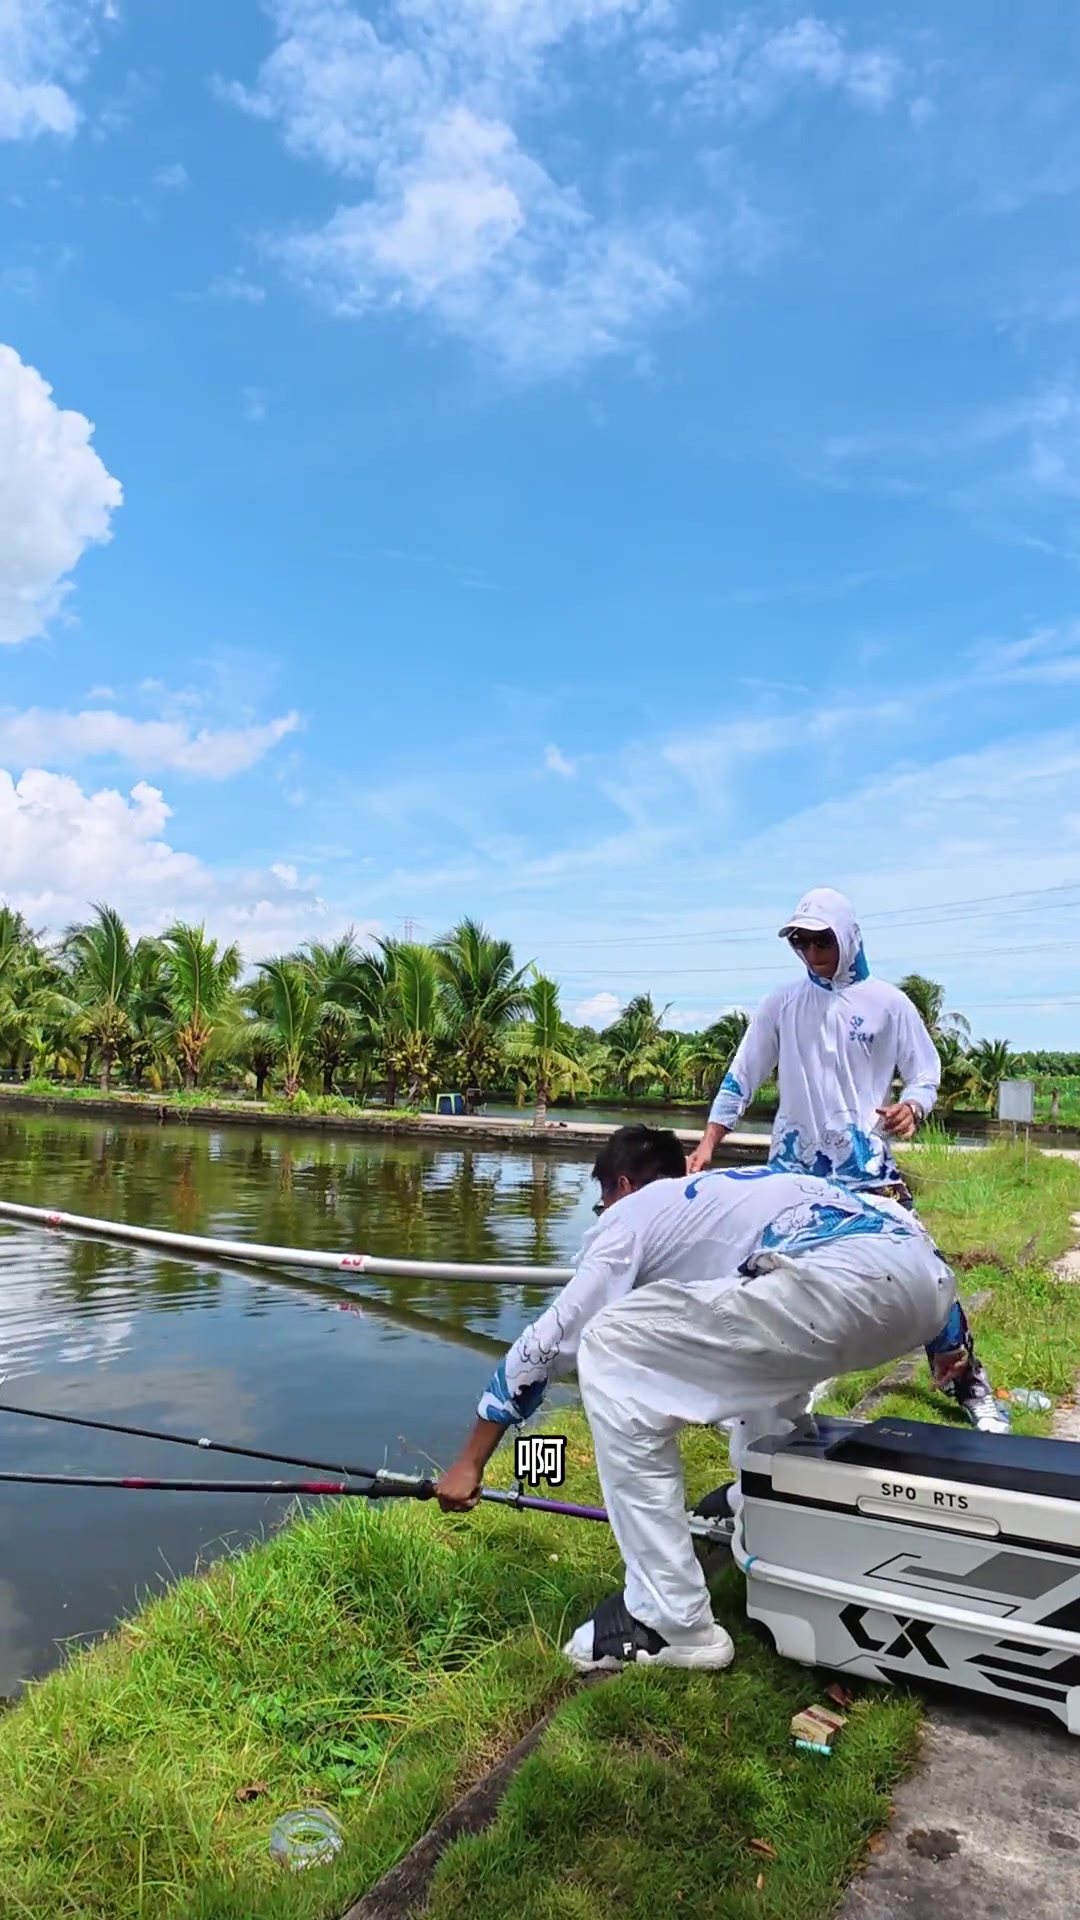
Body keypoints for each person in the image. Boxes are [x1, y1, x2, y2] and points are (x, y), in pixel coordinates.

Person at [435, 1124, 958, 1675]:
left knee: (608, 1346)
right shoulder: (744, 1188)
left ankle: (669, 1620)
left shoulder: (633, 1213)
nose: (601, 1213)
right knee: (749, 1327)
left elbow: (550, 1339)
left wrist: (469, 1463)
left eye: (601, 1202)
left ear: (621, 1187)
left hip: (841, 1286)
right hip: (924, 1283)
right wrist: (953, 1353)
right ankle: (760, 1506)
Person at [686, 886, 1007, 1434]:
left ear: (848, 936)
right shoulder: (781, 1004)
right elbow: (743, 1074)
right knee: (763, 1276)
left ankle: (968, 1385)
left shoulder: (888, 1002)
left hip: (865, 1171)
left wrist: (914, 1105)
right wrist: (710, 1142)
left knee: (925, 1272)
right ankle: (757, 1393)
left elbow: (925, 1069)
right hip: (793, 1172)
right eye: (801, 943)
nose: (812, 955)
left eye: (821, 942)